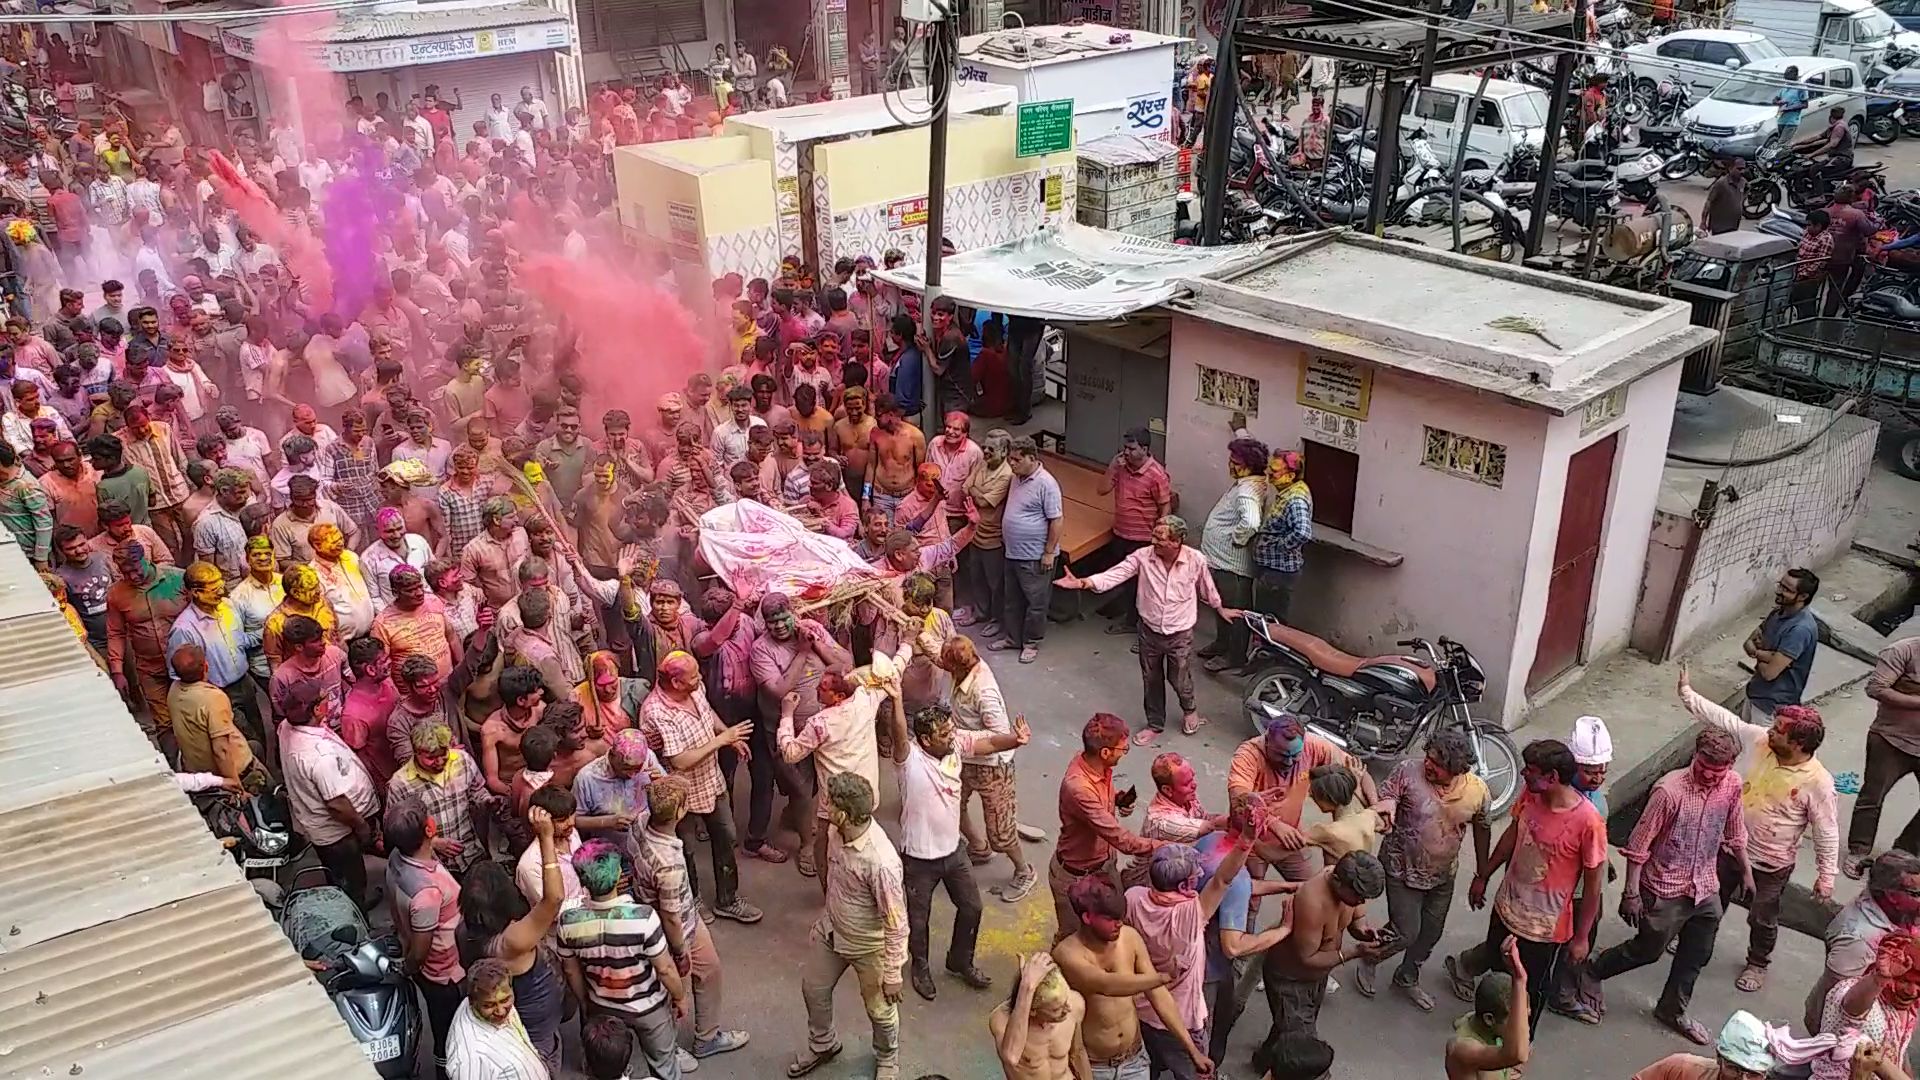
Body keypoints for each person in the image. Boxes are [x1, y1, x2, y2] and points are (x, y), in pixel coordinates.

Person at [1677, 661, 1837, 991]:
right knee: (1708, 899)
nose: (1771, 731)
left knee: (1762, 916)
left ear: (1798, 744)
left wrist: (1826, 875)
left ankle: (1757, 962)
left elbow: (1826, 829)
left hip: (1770, 863)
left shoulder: (1818, 782)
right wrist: (1687, 694)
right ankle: (1695, 945)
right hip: (1726, 846)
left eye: (1779, 729)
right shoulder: (1760, 740)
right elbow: (1726, 720)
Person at [1446, 739, 1606, 1036]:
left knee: (1529, 989)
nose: (1523, 774)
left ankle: (1518, 1044)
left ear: (1552, 777)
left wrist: (1582, 937)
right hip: (1507, 910)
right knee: (1497, 972)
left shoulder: (1589, 822)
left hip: (1544, 930)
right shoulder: (1530, 797)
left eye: (1530, 770)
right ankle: (1483, 1027)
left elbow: (1594, 885)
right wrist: (1484, 875)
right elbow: (1512, 835)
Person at [886, 699, 1032, 1000]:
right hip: (919, 859)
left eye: (951, 731)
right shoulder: (909, 758)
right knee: (918, 919)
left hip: (954, 852)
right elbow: (900, 735)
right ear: (925, 740)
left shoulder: (955, 745)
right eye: (943, 734)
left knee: (972, 908)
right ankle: (921, 967)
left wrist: (1015, 740)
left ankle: (959, 960)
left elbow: (988, 742)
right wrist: (898, 699)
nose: (951, 737)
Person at [1057, 514, 1241, 743]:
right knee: (1151, 678)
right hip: (1149, 630)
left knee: (1179, 678)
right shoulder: (1142, 557)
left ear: (1177, 541)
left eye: (1160, 538)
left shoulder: (1195, 560)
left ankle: (1190, 709)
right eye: (1153, 535)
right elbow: (1115, 574)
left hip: (1180, 633)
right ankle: (1155, 724)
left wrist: (1220, 608)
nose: (1154, 541)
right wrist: (1083, 583)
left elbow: (1207, 587)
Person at [788, 773, 908, 1080]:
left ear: (843, 813)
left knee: (880, 1011)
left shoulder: (881, 863)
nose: (824, 805)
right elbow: (836, 881)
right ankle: (823, 1044)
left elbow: (896, 921)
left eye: (830, 802)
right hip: (833, 933)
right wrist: (827, 918)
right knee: (814, 989)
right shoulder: (835, 833)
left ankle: (887, 1059)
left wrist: (893, 972)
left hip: (869, 947)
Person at [1362, 728, 1490, 1011]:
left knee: (1430, 933)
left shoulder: (1477, 791)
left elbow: (1483, 829)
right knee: (1406, 931)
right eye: (1428, 758)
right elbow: (1386, 799)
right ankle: (1370, 956)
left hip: (1443, 875)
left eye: (1439, 764)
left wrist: (1482, 873)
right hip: (1400, 868)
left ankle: (1407, 976)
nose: (1429, 766)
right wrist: (1385, 809)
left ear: (1458, 770)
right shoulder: (1408, 771)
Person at [630, 773, 751, 1063]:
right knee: (673, 991)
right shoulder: (668, 864)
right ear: (680, 812)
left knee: (709, 970)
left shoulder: (639, 822)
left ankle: (706, 1038)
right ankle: (667, 1051)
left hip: (681, 917)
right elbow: (670, 916)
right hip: (674, 930)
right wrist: (680, 952)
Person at [638, 650, 761, 923]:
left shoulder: (695, 689)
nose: (701, 678)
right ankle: (692, 901)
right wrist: (722, 740)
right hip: (681, 792)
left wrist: (727, 736)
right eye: (694, 676)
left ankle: (727, 900)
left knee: (727, 837)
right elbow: (680, 761)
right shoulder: (656, 711)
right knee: (686, 849)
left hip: (711, 782)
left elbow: (707, 712)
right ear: (676, 683)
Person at [1051, 874, 1214, 1080]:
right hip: (1093, 1068)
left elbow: (1158, 995)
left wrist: (1193, 1050)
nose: (1119, 924)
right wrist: (1164, 976)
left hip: (1134, 1061)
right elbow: (1107, 984)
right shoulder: (1066, 954)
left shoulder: (1129, 937)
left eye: (1120, 917)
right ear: (1087, 917)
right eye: (1110, 919)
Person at [557, 839, 690, 1080]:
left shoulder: (569, 922)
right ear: (619, 874)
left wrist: (587, 1002)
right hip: (649, 1007)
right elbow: (666, 969)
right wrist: (680, 996)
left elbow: (571, 971)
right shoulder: (643, 918)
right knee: (664, 1067)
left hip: (603, 1004)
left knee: (608, 1068)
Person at [1127, 838, 1255, 1079]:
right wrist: (1246, 841)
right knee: (1191, 1072)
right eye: (1195, 876)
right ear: (1186, 886)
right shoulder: (1188, 916)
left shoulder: (1133, 897)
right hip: (1181, 1019)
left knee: (1148, 1065)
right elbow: (1222, 880)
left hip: (1142, 1008)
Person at [779, 650, 906, 885]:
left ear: (837, 696)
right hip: (866, 795)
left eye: (823, 688)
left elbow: (790, 753)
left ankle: (830, 891)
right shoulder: (866, 699)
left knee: (825, 847)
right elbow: (894, 672)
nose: (817, 689)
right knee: (861, 839)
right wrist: (907, 645)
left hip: (834, 803)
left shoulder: (820, 724)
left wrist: (787, 715)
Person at [458, 805, 566, 1074]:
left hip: (521, 1014)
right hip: (534, 1022)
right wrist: (546, 838)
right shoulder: (511, 941)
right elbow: (554, 899)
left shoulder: (464, 932)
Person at [1051, 713, 1168, 942]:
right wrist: (1162, 846)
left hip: (1104, 865)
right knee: (1073, 939)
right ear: (1105, 752)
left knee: (1114, 919)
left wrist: (1117, 799)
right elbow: (1122, 840)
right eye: (1122, 750)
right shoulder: (1079, 788)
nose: (1123, 755)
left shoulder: (1095, 765)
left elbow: (1100, 800)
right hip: (1075, 876)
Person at [1260, 850, 1389, 1048]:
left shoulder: (1350, 891)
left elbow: (1357, 920)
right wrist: (1354, 952)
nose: (1362, 902)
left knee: (1288, 1029)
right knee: (1302, 1043)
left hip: (1317, 978)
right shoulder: (1312, 902)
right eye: (1358, 896)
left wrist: (1366, 932)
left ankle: (1263, 1061)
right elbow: (1307, 958)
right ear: (1337, 881)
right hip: (1290, 981)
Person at [386, 794, 470, 1077]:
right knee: (448, 1032)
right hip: (443, 975)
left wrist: (435, 844)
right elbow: (420, 952)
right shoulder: (427, 893)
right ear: (430, 828)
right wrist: (408, 969)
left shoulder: (398, 858)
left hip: (427, 962)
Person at [280, 681, 380, 911]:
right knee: (350, 879)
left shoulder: (288, 726)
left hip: (320, 826)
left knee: (338, 875)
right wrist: (361, 825)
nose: (330, 701)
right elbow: (337, 804)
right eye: (325, 699)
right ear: (316, 710)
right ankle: (357, 917)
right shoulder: (318, 756)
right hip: (337, 834)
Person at [1806, 850, 1920, 1034]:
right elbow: (1838, 1002)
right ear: (1890, 895)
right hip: (1846, 1033)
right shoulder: (1858, 942)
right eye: (1917, 894)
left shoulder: (1897, 908)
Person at [1198, 437, 1266, 674]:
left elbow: (1251, 522)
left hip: (1232, 564)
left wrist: (1236, 539)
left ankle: (1234, 655)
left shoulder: (1247, 490)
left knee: (1235, 611)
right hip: (1222, 561)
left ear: (1248, 465)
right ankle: (1222, 644)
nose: (1230, 465)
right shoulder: (1248, 482)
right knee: (1222, 606)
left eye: (1235, 461)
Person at [390, 722, 493, 878]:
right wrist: (433, 843)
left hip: (472, 852)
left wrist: (487, 801)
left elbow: (477, 790)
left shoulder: (462, 760)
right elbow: (397, 832)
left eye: (443, 754)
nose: (439, 762)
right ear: (416, 752)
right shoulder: (401, 784)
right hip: (434, 868)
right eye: (431, 758)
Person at [1093, 429, 1171, 634]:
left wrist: (1161, 533)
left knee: (1142, 586)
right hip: (1121, 533)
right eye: (1125, 448)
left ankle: (1139, 626)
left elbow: (1165, 505)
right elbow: (1101, 490)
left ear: (1144, 449)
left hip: (1143, 539)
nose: (1126, 452)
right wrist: (1112, 467)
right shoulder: (1120, 468)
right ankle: (1128, 616)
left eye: (1131, 448)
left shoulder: (1156, 474)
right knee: (1126, 580)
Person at [991, 436, 1060, 665]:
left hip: (1034, 556)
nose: (1012, 464)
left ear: (1032, 458)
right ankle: (1012, 638)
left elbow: (1056, 520)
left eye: (1017, 460)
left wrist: (1049, 552)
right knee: (1012, 599)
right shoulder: (1016, 478)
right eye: (1010, 459)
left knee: (1035, 602)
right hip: (1012, 552)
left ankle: (1031, 642)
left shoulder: (1046, 484)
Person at [1855, 637, 1920, 877]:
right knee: (1872, 797)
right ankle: (1858, 851)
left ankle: (1903, 854)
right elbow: (1876, 688)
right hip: (1891, 740)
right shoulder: (1902, 651)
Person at [1442, 938, 1531, 1080]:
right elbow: (1518, 1055)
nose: (1522, 1026)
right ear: (1489, 1019)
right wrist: (1519, 980)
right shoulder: (1462, 1048)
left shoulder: (1493, 1032)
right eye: (1515, 1019)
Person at [445, 958, 549, 1080]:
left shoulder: (487, 998)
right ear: (472, 1001)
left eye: (505, 1000)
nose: (501, 1011)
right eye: (489, 1005)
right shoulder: (473, 1057)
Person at [991, 953, 1089, 1080]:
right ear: (1032, 1010)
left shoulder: (1075, 1003)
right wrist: (1027, 987)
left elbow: (1078, 1052)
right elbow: (1011, 1057)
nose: (1067, 1009)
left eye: (1066, 1001)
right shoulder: (1001, 1020)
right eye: (1056, 1009)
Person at [1743, 566, 1819, 721]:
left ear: (1802, 596)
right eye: (1780, 585)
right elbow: (1750, 641)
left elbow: (1769, 673)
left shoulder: (1800, 629)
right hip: (1754, 696)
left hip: (1771, 710)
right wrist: (1769, 655)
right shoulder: (1778, 613)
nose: (1779, 591)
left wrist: (1757, 653)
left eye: (1787, 589)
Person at [1628, 1010, 1781, 1080]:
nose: (1743, 1079)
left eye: (1754, 1074)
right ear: (1719, 1059)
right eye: (1734, 1069)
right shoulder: (1680, 1067)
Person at [1254, 449, 1311, 623]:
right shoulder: (1287, 492)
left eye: (1276, 470)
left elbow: (1303, 532)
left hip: (1279, 571)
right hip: (1273, 569)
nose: (1270, 474)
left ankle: (1270, 650)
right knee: (1265, 618)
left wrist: (1279, 546)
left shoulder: (1295, 499)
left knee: (1271, 622)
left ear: (1291, 475)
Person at [1702, 158, 1747, 236]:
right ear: (1730, 168)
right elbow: (1709, 202)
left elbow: (1745, 192)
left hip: (1734, 224)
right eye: (1739, 169)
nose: (1742, 172)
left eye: (1743, 169)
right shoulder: (1721, 184)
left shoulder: (1743, 182)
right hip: (1719, 226)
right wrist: (1703, 222)